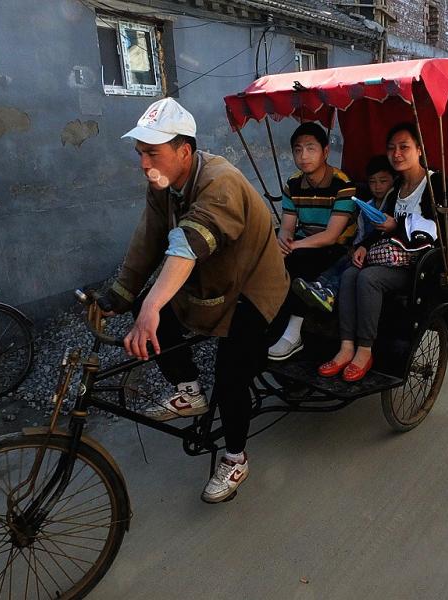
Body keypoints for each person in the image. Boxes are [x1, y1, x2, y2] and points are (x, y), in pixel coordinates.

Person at [102, 98, 288, 503]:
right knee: (145, 303)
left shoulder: (220, 182)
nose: (143, 163)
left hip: (254, 288)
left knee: (231, 375)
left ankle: (236, 457)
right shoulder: (163, 185)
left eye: (152, 153)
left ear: (183, 151)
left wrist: (151, 307)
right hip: (213, 281)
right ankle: (188, 389)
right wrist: (123, 292)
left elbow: (184, 246)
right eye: (140, 153)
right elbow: (149, 238)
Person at [319, 123, 441, 382]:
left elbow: (437, 230)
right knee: (351, 273)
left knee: (368, 277)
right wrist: (363, 246)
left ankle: (365, 350)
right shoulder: (396, 189)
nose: (397, 154)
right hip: (388, 258)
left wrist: (397, 225)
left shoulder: (435, 184)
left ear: (419, 149)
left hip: (418, 266)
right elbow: (380, 227)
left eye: (404, 147)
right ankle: (346, 346)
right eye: (391, 148)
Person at [267, 122, 357, 360]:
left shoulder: (343, 185)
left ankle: (294, 332)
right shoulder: (293, 184)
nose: (303, 156)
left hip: (338, 249)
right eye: (298, 150)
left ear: (325, 151)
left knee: (299, 260)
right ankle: (270, 323)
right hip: (303, 243)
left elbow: (331, 235)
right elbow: (287, 227)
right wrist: (283, 243)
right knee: (269, 259)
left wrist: (293, 247)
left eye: (310, 148)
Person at [292, 155, 396, 313]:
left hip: (381, 254)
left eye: (383, 181)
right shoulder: (367, 205)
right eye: (373, 182)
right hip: (360, 248)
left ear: (393, 180)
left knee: (348, 267)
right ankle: (319, 285)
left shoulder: (393, 203)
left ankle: (330, 292)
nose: (377, 186)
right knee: (342, 260)